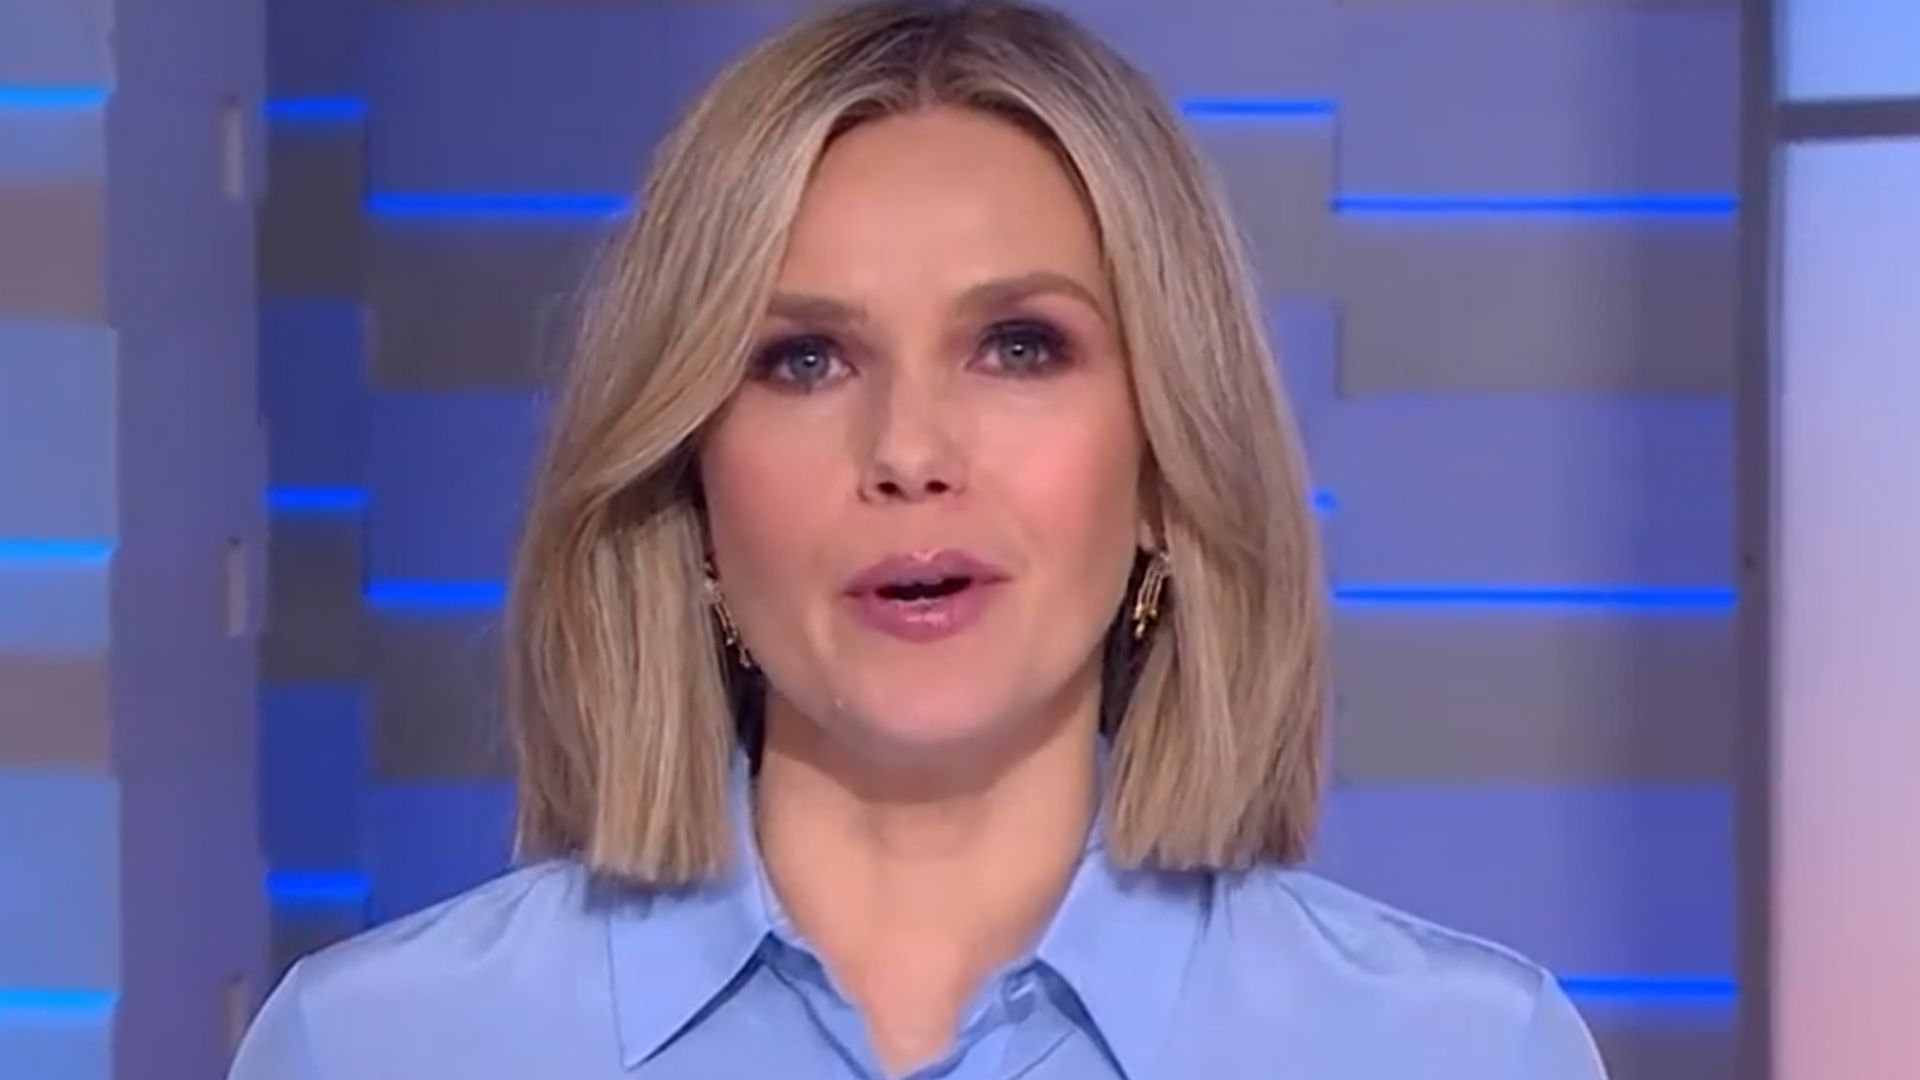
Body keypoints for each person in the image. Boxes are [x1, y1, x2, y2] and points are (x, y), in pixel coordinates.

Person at [230, 1, 1609, 1076]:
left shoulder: (1459, 1055)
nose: (907, 452)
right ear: (689, 483)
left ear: (1163, 469)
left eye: (1018, 347)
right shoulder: (375, 1048)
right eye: (804, 360)